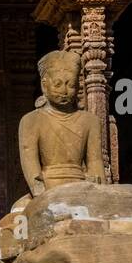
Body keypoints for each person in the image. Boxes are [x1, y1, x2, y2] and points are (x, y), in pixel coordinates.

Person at [17, 50, 104, 195]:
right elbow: (30, 162)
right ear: (44, 85)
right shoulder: (31, 120)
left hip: (83, 185)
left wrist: (101, 190)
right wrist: (39, 190)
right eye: (58, 84)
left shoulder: (90, 121)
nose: (64, 91)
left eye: (71, 85)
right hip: (48, 185)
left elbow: (95, 162)